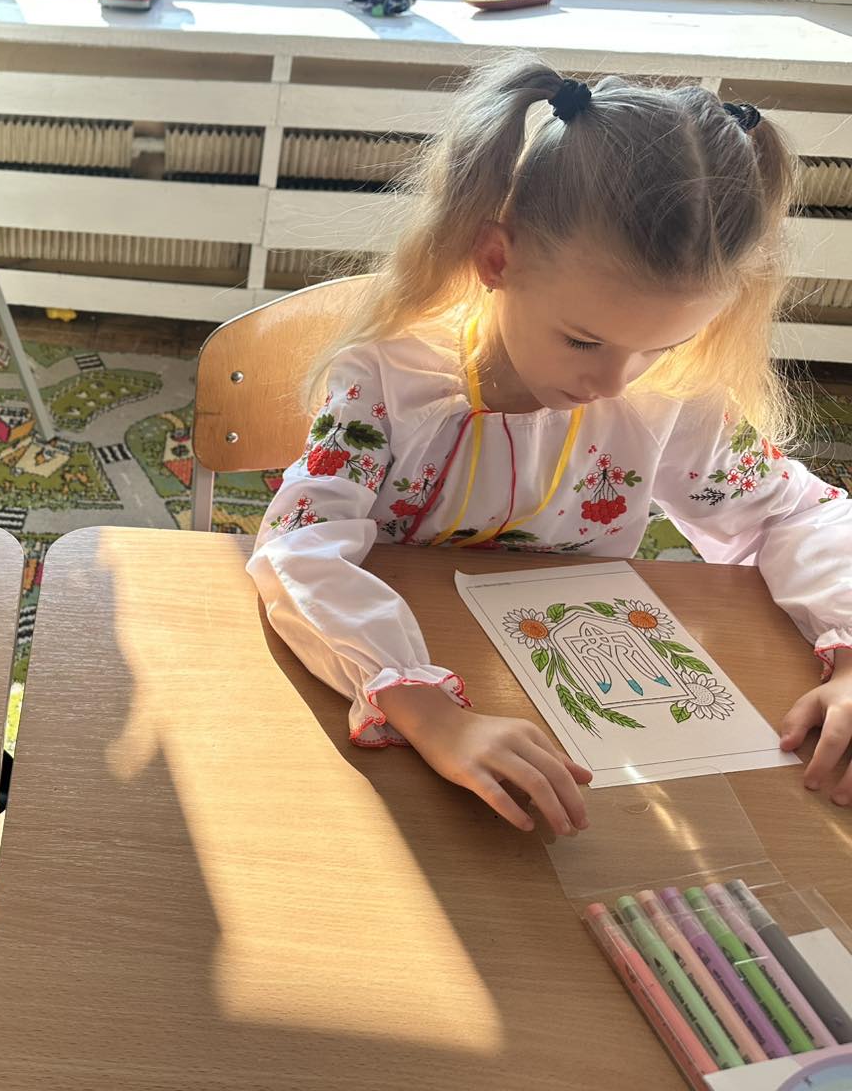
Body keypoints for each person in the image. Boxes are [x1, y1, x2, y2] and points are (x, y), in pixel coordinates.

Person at [247, 55, 852, 834]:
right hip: (399, 700)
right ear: (498, 259)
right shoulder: (387, 378)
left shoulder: (672, 396)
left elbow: (799, 513)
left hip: (579, 706)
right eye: (582, 340)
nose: (614, 382)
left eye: (661, 346)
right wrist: (430, 712)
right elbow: (298, 546)